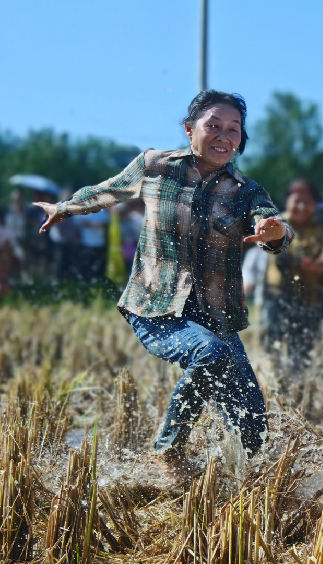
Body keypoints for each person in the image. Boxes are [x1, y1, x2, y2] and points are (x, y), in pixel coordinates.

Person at [35, 90, 293, 480]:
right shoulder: (156, 166)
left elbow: (277, 231)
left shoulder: (247, 192)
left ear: (241, 139)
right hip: (156, 305)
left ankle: (228, 489)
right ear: (190, 129)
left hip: (217, 315)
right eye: (214, 126)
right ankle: (168, 449)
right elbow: (109, 190)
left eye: (234, 129)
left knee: (253, 431)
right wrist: (64, 208)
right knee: (210, 353)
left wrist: (274, 232)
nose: (224, 136)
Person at [242, 178, 323, 368]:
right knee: (272, 347)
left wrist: (319, 264)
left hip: (310, 297)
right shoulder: (277, 223)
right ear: (287, 203)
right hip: (277, 295)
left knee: (302, 351)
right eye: (296, 201)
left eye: (307, 202)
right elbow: (270, 247)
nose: (301, 207)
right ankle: (274, 381)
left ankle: (299, 384)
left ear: (315, 204)